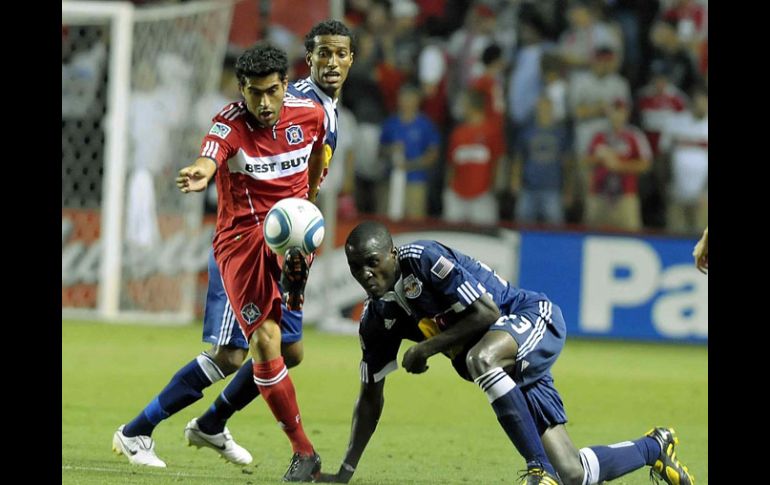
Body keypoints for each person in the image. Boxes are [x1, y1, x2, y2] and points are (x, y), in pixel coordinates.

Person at [316, 221, 695, 485]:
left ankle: (537, 468)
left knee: (479, 359)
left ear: (392, 253)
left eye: (372, 262)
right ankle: (655, 447)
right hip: (508, 365)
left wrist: (426, 349)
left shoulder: (423, 258)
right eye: (355, 267)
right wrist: (345, 472)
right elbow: (370, 397)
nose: (365, 273)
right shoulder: (376, 319)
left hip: (530, 318)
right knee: (573, 473)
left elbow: (487, 312)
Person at [113, 43, 328, 482]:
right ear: (241, 89)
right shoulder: (229, 123)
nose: (263, 103)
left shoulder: (311, 116)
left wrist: (307, 206)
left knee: (289, 351)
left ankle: (210, 424)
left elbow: (315, 160)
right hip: (244, 247)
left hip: (290, 247)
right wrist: (202, 170)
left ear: (285, 86)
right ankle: (137, 431)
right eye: (254, 93)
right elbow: (210, 154)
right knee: (251, 348)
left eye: (271, 91)